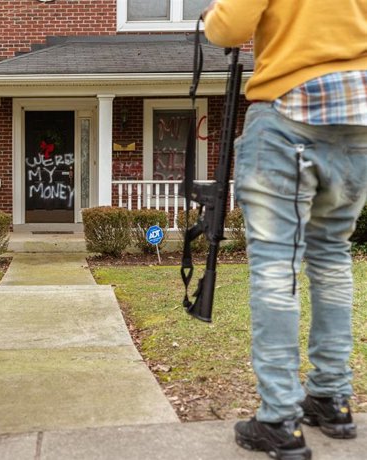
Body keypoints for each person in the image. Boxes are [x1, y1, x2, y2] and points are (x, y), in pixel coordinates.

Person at [203, 1, 367, 459]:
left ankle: (279, 417)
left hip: (289, 111)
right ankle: (332, 399)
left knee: (277, 267)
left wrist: (210, 16)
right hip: (358, 113)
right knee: (332, 255)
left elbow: (229, 27)